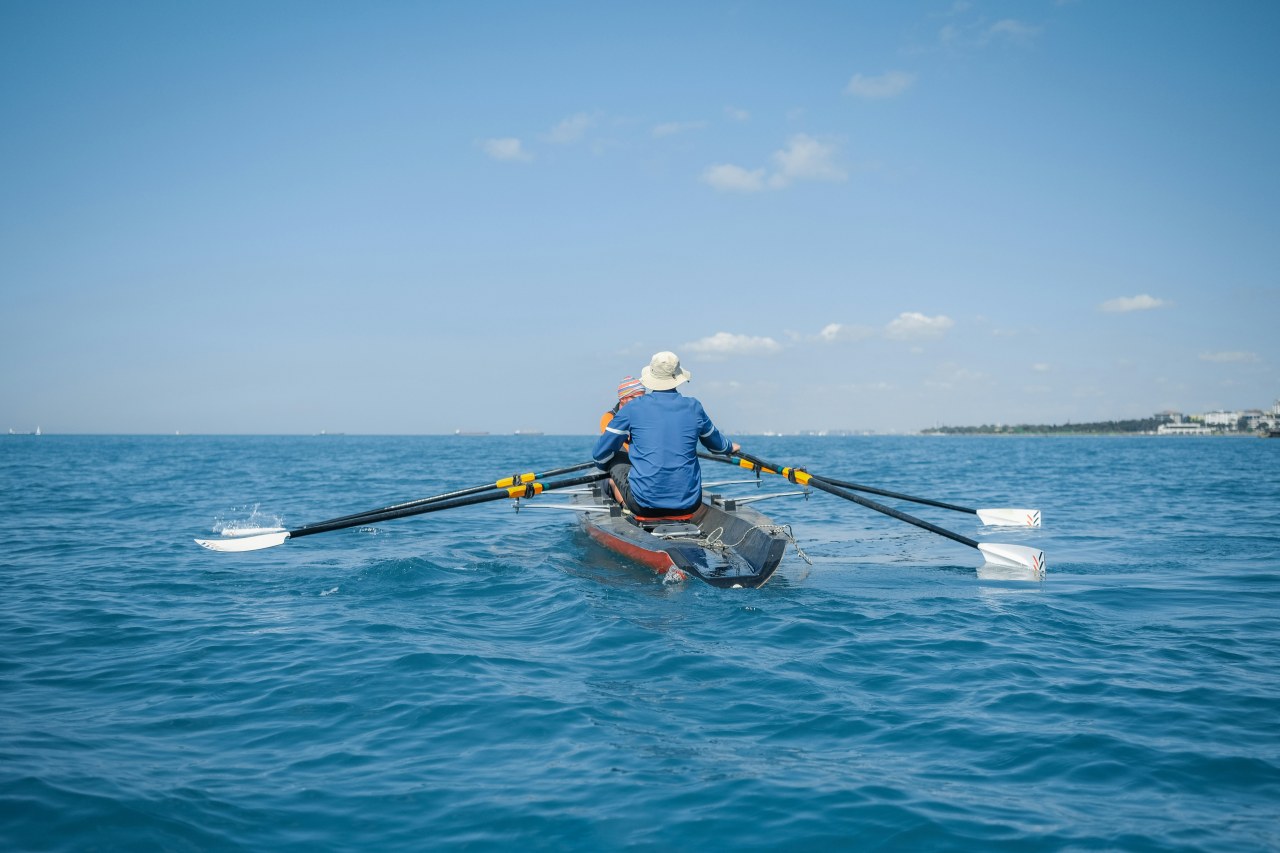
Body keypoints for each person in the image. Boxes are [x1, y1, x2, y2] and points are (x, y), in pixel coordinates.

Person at [592, 351, 740, 518]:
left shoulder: (632, 408)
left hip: (643, 505)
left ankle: (623, 501)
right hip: (690, 504)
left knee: (616, 456)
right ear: (677, 377)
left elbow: (599, 455)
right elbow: (718, 447)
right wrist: (729, 447)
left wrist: (606, 469)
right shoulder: (694, 407)